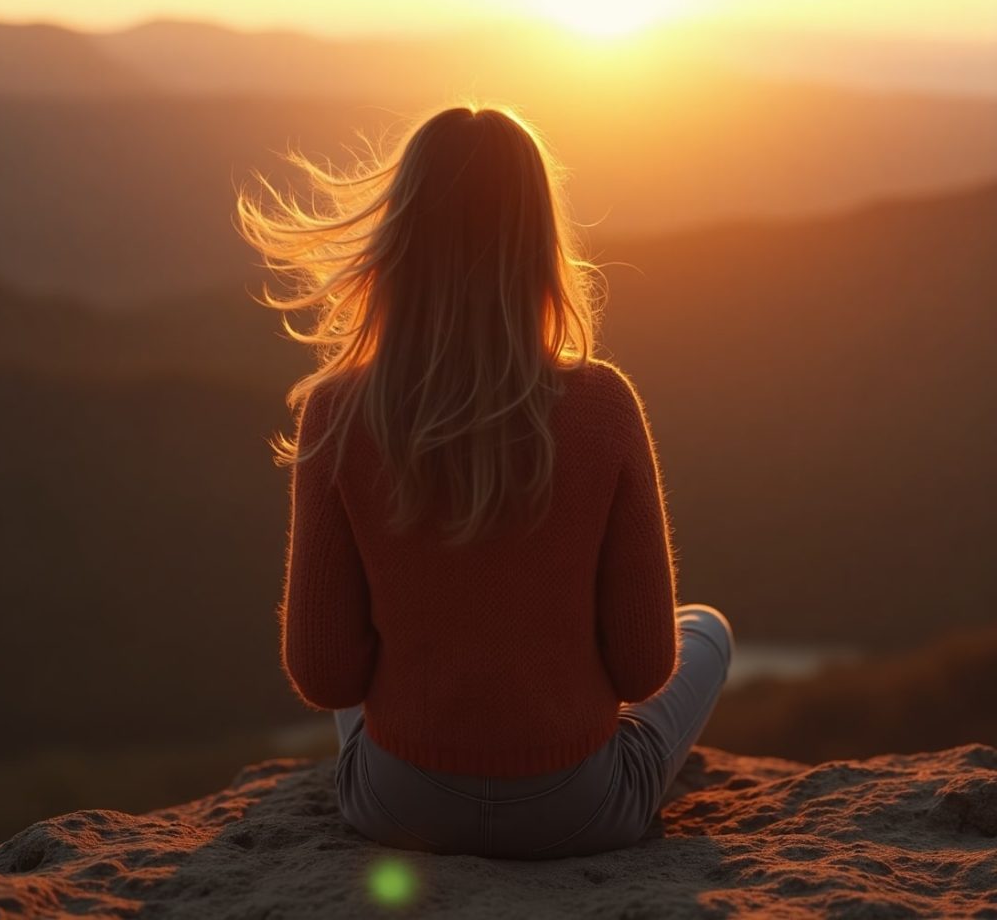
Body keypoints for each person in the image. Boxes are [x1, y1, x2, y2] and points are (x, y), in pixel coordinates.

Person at [234, 103, 735, 860]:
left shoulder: (339, 410)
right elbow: (643, 666)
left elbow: (327, 673)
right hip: (580, 811)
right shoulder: (601, 405)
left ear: (398, 239)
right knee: (707, 632)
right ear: (539, 246)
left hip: (398, 806)